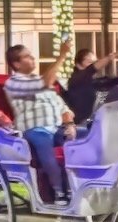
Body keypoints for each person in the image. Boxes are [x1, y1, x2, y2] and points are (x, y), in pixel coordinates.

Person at [5, 37, 78, 204]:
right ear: (16, 64)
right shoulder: (14, 82)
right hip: (34, 128)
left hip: (57, 127)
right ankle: (59, 191)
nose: (33, 59)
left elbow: (62, 106)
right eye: (28, 56)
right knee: (44, 143)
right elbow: (46, 81)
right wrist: (62, 56)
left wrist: (69, 122)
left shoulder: (42, 83)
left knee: (87, 136)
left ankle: (84, 184)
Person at [63, 46, 118, 125]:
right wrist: (115, 55)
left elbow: (105, 83)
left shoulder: (88, 80)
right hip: (77, 125)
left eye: (94, 62)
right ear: (78, 64)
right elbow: (91, 70)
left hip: (87, 122)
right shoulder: (76, 78)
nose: (94, 64)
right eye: (90, 62)